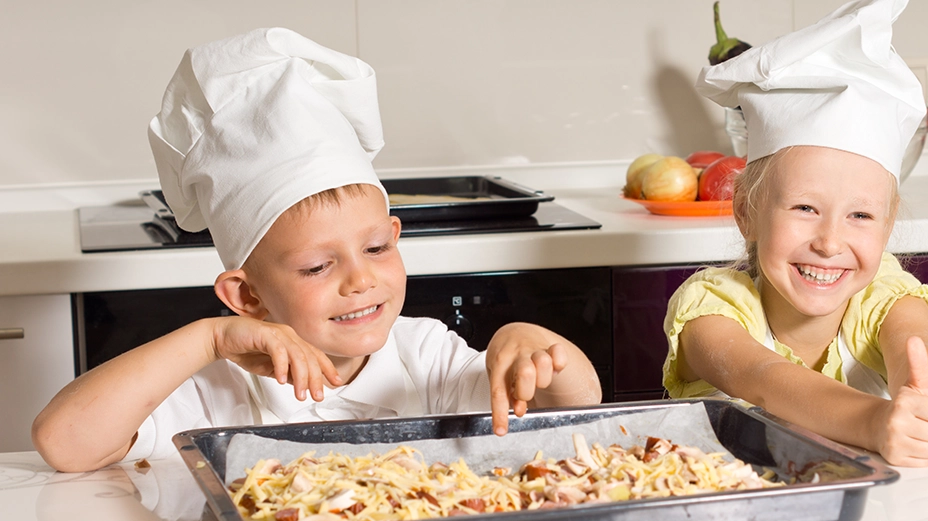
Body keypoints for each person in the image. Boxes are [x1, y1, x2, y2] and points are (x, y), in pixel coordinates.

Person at [32, 28, 601, 473]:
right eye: (317, 265)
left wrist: (536, 347)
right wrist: (207, 338)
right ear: (246, 296)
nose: (360, 280)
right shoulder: (218, 388)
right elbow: (65, 444)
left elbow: (576, 408)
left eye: (375, 247)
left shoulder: (427, 360)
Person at [663, 0, 928, 468]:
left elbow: (917, 361)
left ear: (888, 224)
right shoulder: (710, 311)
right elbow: (767, 378)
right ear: (747, 211)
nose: (829, 241)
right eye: (805, 208)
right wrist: (876, 423)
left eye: (860, 216)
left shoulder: (884, 296)